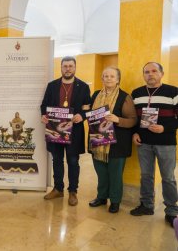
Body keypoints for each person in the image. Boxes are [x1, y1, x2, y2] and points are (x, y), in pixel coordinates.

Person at [130, 62, 178, 227]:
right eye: (147, 72)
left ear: (161, 73)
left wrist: (164, 127)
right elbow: (133, 118)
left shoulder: (173, 92)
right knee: (146, 176)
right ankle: (147, 205)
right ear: (143, 75)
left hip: (166, 143)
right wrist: (135, 132)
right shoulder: (136, 93)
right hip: (144, 143)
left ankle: (172, 211)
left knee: (168, 178)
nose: (150, 74)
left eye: (154, 71)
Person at [40, 56, 91, 206]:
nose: (68, 69)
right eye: (65, 66)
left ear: (75, 68)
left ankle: (73, 191)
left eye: (70, 66)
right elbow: (44, 105)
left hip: (74, 132)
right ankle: (58, 189)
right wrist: (43, 115)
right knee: (57, 160)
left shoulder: (83, 86)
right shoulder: (52, 86)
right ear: (61, 68)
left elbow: (87, 108)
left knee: (73, 161)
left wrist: (81, 116)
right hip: (55, 130)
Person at [87, 67, 137, 213]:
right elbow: (89, 112)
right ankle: (101, 197)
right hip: (97, 141)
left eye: (112, 76)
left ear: (118, 79)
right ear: (102, 78)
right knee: (101, 172)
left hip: (117, 144)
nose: (108, 78)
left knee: (115, 175)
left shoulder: (124, 97)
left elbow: (133, 120)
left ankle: (115, 201)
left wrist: (117, 119)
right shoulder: (96, 94)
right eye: (105, 76)